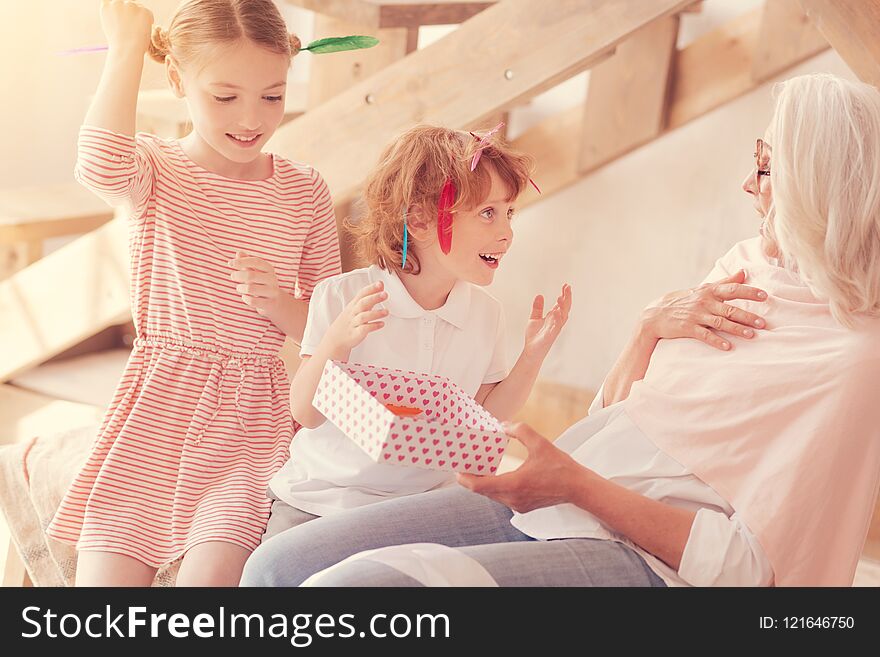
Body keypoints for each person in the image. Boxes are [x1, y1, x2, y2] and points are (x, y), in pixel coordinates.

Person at [241, 73, 880, 587]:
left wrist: (567, 465)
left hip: (632, 546)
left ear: (823, 188)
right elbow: (623, 425)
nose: (748, 185)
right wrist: (645, 332)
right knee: (275, 568)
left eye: (767, 169)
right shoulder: (744, 268)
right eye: (487, 212)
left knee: (353, 595)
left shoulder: (852, 358)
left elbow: (748, 571)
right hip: (493, 495)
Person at [47, 0, 342, 586]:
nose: (252, 118)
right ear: (178, 81)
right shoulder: (155, 170)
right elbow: (99, 162)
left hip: (252, 420)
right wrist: (129, 45)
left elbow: (331, 325)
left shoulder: (305, 190)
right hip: (157, 403)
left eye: (273, 95)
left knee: (210, 579)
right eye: (225, 97)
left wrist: (280, 305)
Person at [251, 124, 572, 547]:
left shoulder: (485, 315)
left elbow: (484, 419)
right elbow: (305, 413)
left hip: (421, 506)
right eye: (488, 213)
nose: (507, 232)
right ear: (420, 221)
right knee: (276, 573)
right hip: (322, 500)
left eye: (509, 212)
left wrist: (532, 355)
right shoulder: (343, 295)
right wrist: (336, 341)